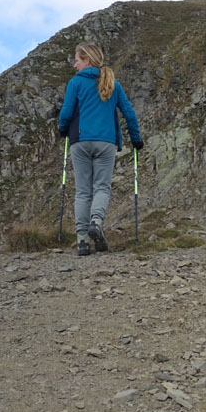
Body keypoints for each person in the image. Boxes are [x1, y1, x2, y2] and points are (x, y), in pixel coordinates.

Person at [58, 42, 143, 256]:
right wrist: (136, 140)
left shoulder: (75, 83)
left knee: (83, 191)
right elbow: (129, 114)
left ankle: (82, 242)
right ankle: (96, 221)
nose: (74, 64)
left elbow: (66, 113)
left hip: (80, 140)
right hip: (106, 142)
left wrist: (62, 129)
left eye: (77, 59)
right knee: (102, 188)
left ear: (87, 60)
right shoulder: (113, 84)